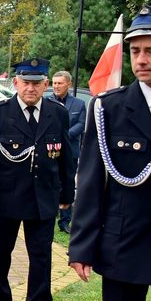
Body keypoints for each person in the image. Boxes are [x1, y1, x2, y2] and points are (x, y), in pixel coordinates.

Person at [69, 5, 151, 301]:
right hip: (125, 241)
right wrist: (81, 245)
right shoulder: (109, 108)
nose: (141, 59)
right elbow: (91, 181)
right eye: (136, 51)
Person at [0, 58, 76, 301]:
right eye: (25, 83)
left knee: (41, 256)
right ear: (15, 83)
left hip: (44, 196)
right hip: (6, 195)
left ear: (45, 85)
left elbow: (66, 156)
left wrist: (67, 193)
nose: (31, 89)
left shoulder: (58, 113)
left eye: (37, 84)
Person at [50, 71, 86, 233]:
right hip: (50, 151)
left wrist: (63, 137)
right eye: (54, 83)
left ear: (69, 84)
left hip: (70, 152)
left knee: (67, 184)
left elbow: (81, 124)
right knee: (50, 182)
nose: (56, 86)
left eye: (60, 83)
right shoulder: (46, 102)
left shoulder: (79, 104)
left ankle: (65, 221)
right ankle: (50, 215)